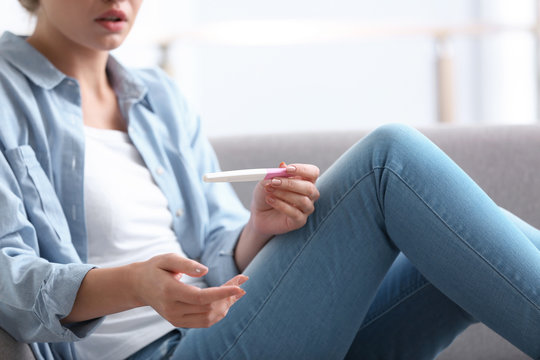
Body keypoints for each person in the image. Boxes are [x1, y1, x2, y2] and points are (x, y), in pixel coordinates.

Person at [1, 0, 539, 359]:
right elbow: (9, 279)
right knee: (386, 162)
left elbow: (216, 244)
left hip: (229, 328)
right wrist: (135, 285)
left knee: (480, 241)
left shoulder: (157, 98)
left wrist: (258, 226)